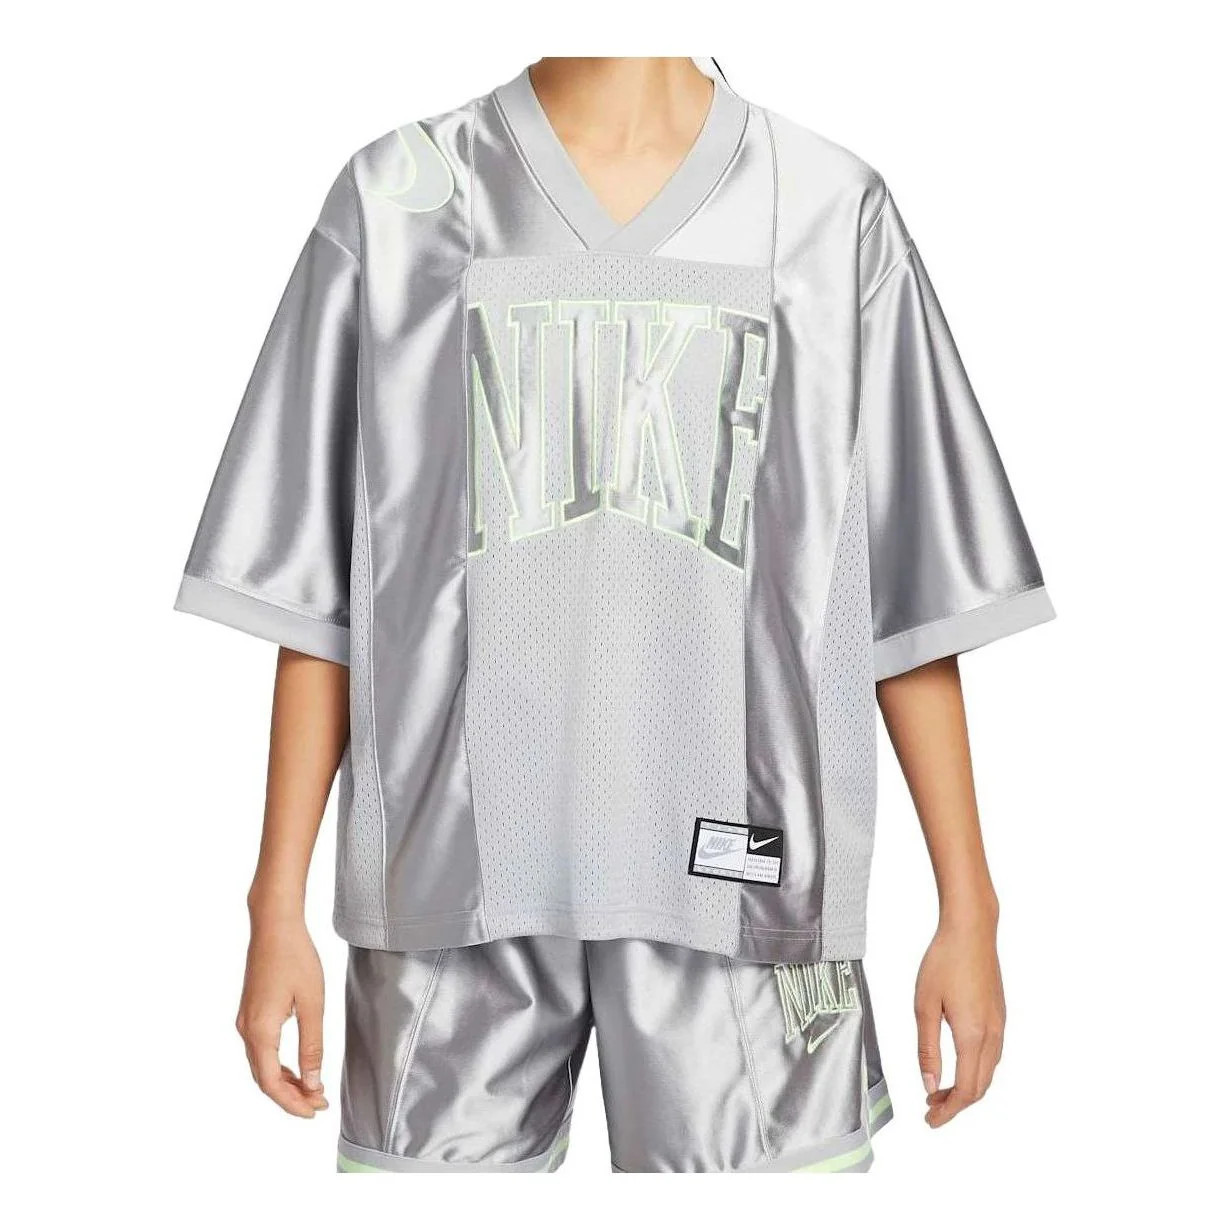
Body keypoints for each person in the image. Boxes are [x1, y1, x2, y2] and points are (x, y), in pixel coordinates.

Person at [176, 56, 1053, 1173]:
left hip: (746, 888)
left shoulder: (826, 207)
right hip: (448, 889)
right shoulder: (402, 195)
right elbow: (326, 593)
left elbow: (907, 596)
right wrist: (275, 906)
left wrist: (970, 909)